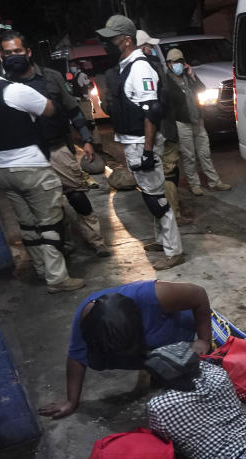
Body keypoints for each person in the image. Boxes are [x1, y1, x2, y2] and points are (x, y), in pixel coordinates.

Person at [38, 280, 246, 419]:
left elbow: (198, 295)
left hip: (194, 330)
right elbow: (76, 358)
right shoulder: (87, 321)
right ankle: (154, 370)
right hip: (163, 346)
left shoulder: (151, 295)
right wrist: (71, 402)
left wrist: (202, 340)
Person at [0, 34, 84, 294]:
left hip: (0, 168)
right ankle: (57, 278)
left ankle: (40, 269)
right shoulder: (13, 90)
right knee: (50, 222)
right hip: (31, 166)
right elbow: (50, 110)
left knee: (27, 224)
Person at [0, 31, 112, 258]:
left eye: (18, 51)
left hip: (58, 148)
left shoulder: (51, 78)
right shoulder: (3, 85)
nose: (13, 56)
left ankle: (96, 241)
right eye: (8, 53)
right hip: (28, 156)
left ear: (28, 52)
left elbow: (72, 109)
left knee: (78, 197)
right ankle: (64, 245)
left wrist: (86, 139)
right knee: (48, 207)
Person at [97, 15, 184, 271]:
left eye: (111, 38)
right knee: (150, 194)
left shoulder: (140, 67)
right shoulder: (126, 65)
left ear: (125, 40)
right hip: (132, 140)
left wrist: (147, 151)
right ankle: (162, 240)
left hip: (141, 142)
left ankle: (173, 251)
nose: (107, 43)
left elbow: (152, 110)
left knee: (156, 199)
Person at [137, 30, 192, 229]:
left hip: (148, 132)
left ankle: (173, 209)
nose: (151, 49)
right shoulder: (151, 69)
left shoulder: (126, 70)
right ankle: (174, 212)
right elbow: (166, 100)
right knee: (169, 171)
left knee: (164, 173)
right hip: (163, 129)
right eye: (149, 46)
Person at [164, 48, 231, 196]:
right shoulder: (166, 82)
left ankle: (215, 182)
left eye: (180, 62)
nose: (178, 65)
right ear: (169, 64)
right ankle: (194, 185)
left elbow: (202, 90)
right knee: (189, 156)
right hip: (182, 123)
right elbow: (167, 106)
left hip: (198, 120)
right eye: (175, 62)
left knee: (205, 153)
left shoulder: (189, 77)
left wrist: (193, 76)